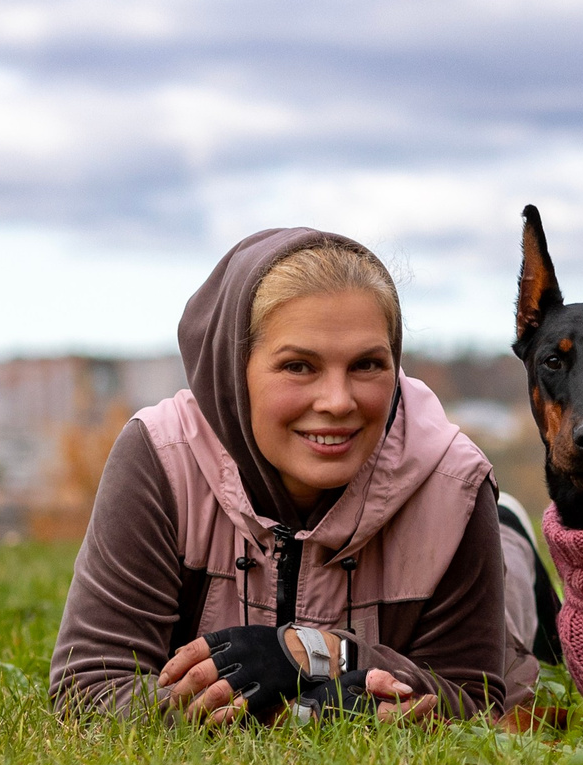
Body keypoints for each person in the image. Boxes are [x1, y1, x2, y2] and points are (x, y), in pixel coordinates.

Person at [50, 227, 534, 722]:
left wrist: (325, 653)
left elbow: (472, 700)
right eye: (299, 366)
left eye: (367, 364)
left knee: (518, 610)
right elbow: (87, 688)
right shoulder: (163, 458)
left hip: (493, 555)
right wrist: (307, 711)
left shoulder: (455, 484)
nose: (338, 402)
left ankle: (510, 536)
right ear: (236, 370)